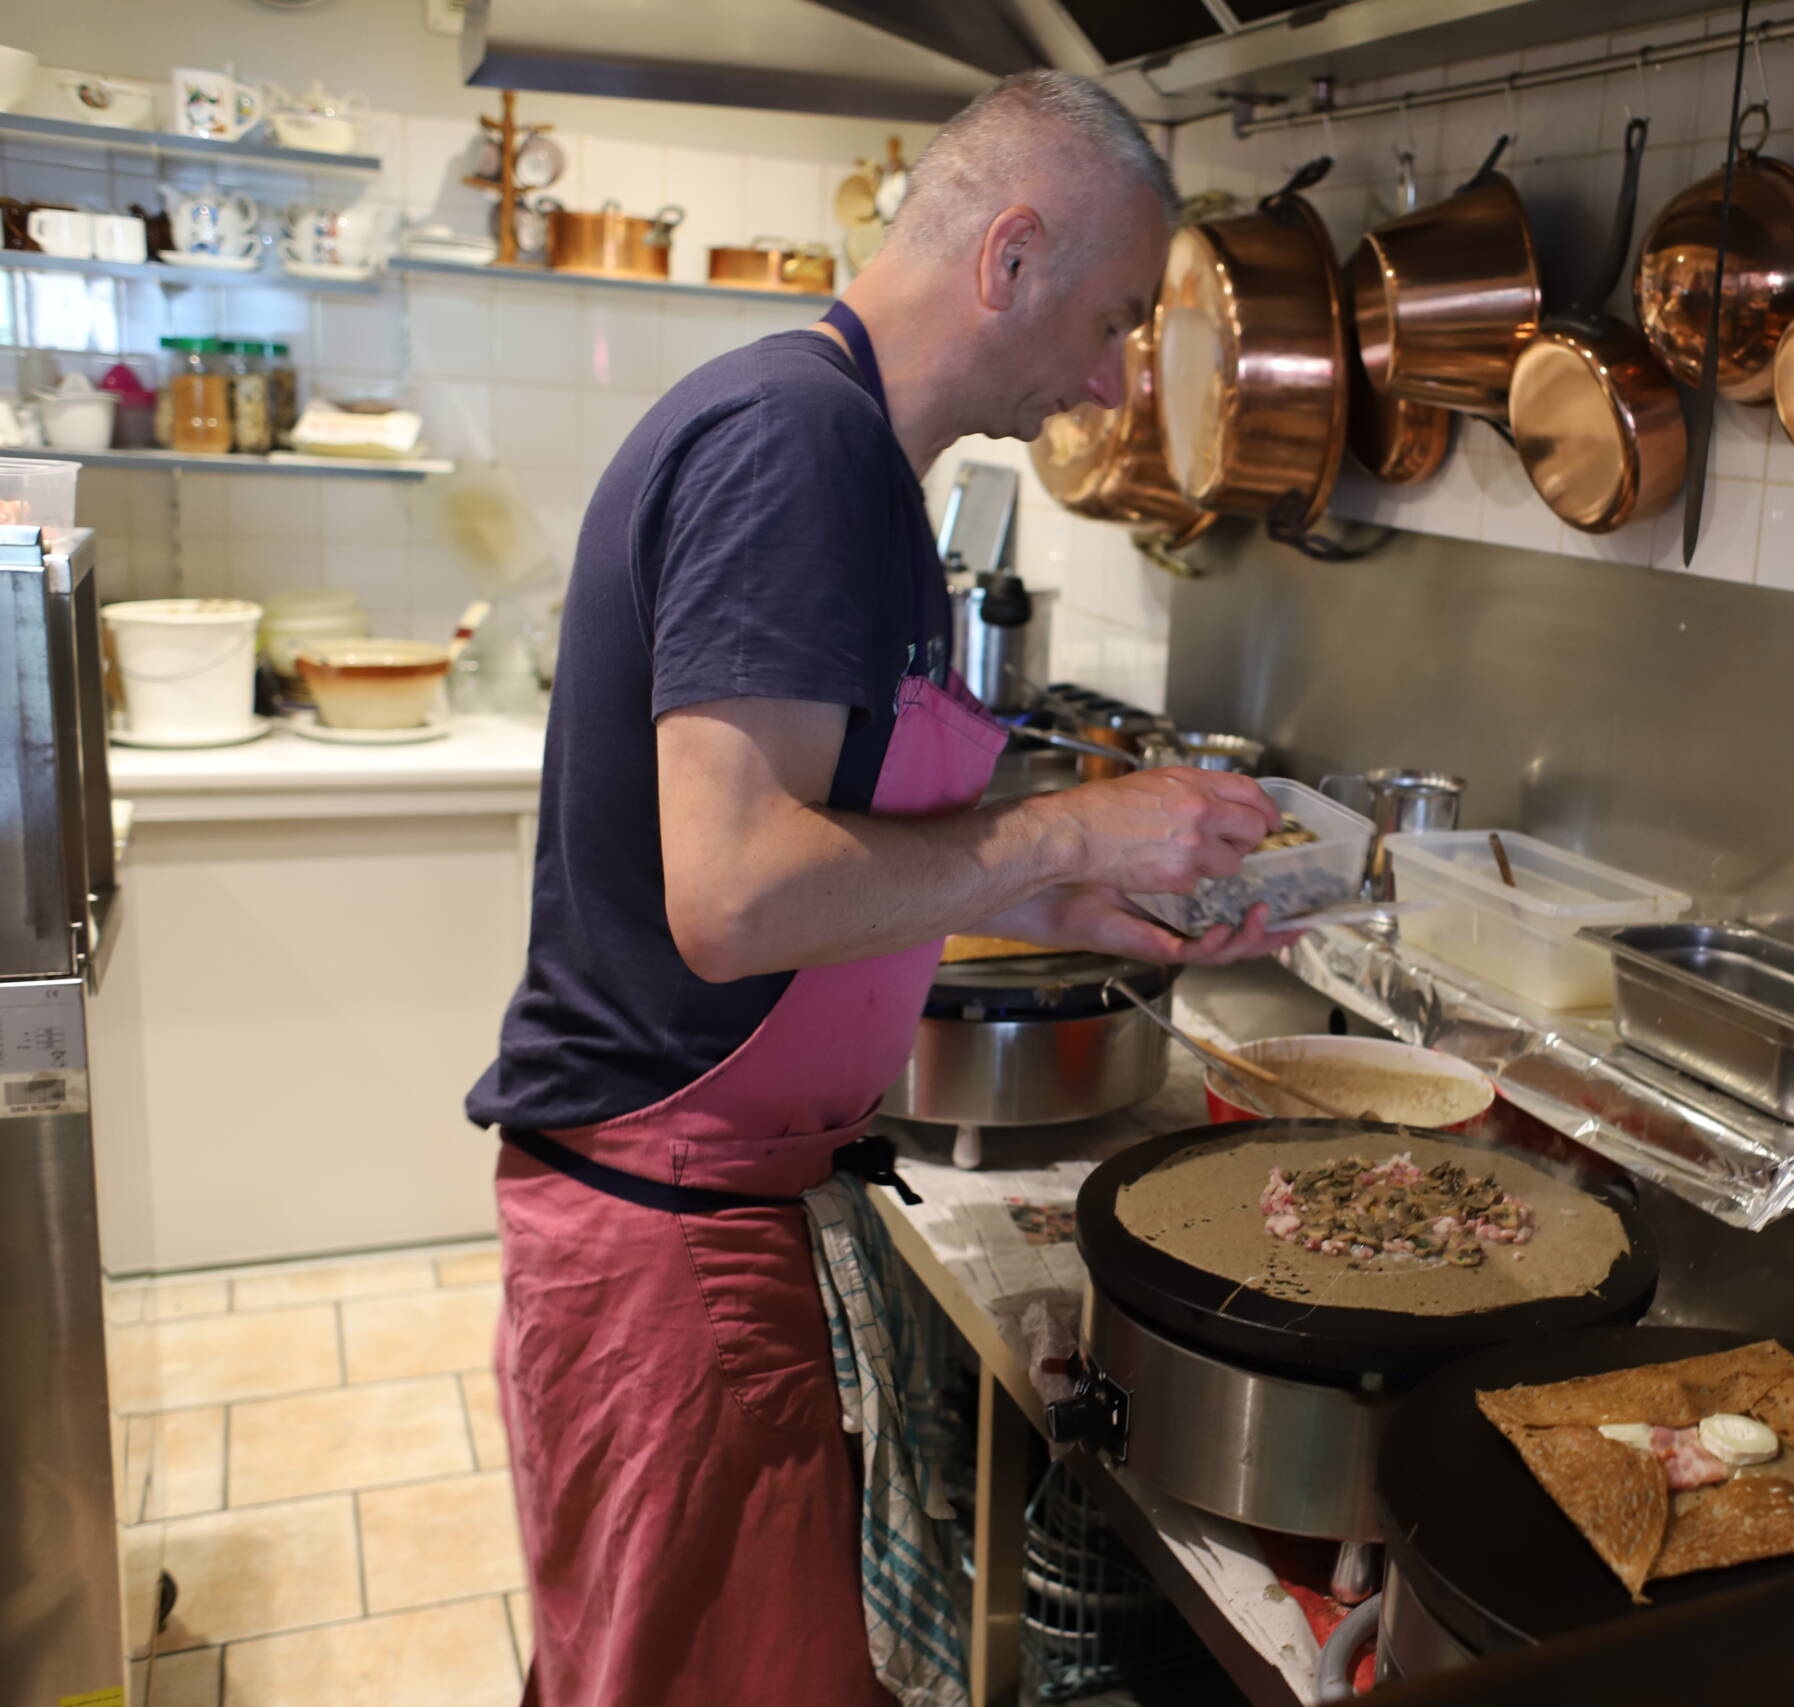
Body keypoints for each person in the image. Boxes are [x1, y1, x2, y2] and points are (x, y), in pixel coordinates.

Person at [465, 71, 1287, 1707]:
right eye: (1114, 320)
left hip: (701, 1214)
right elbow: (736, 898)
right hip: (671, 1241)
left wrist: (1054, 907)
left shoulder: (844, 448)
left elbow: (826, 850)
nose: (1115, 377)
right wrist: (1076, 830)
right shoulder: (800, 444)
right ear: (1011, 256)